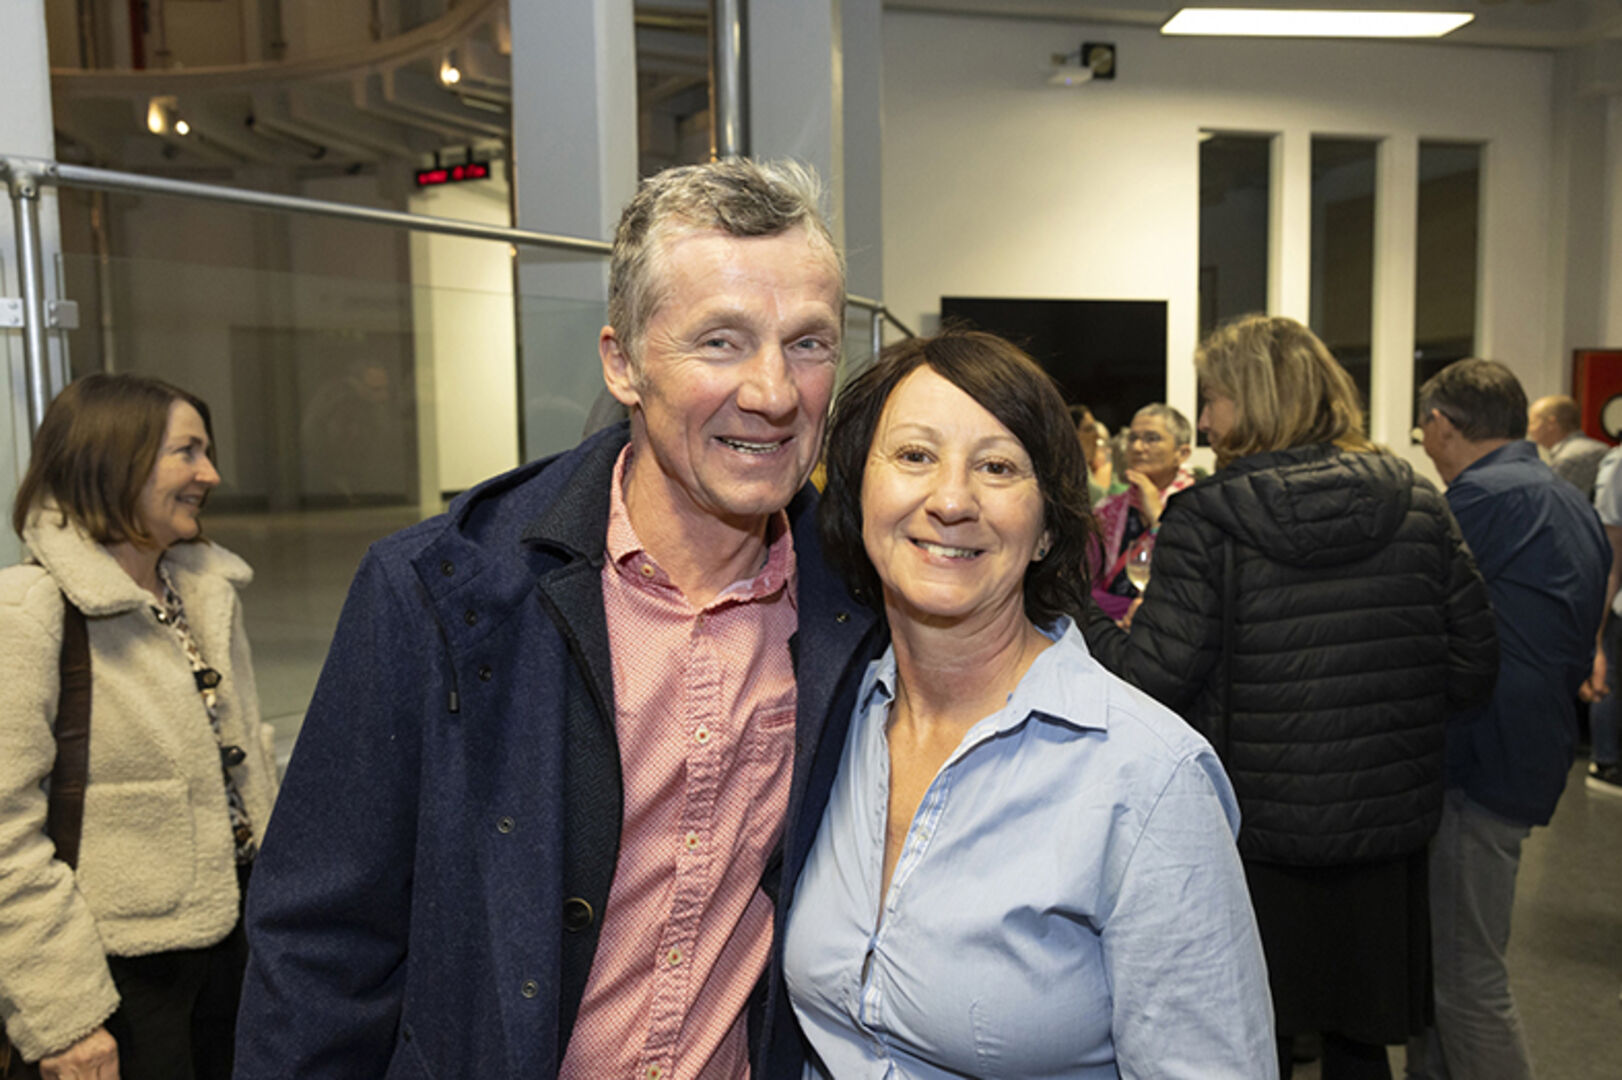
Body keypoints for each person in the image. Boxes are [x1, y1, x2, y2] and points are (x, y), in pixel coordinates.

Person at [233, 159, 885, 1080]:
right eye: (722, 342)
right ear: (623, 364)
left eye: (809, 343)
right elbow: (319, 946)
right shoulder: (440, 593)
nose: (775, 392)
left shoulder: (854, 603)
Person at [785, 330, 1276, 1078]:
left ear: (1047, 526)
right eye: (915, 456)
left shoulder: (1147, 778)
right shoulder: (825, 722)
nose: (951, 500)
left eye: (998, 466)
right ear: (855, 494)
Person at [1083, 315, 1499, 1080]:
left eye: (1213, 400)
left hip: (1255, 835)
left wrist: (1075, 606)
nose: (1204, 421)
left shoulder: (1208, 519)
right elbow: (1474, 667)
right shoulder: (1418, 502)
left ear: (1255, 398)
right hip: (1384, 832)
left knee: (1247, 1041)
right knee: (1360, 1044)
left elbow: (1150, 678)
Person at [0, 373, 277, 1080]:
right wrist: (66, 1020)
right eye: (186, 452)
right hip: (111, 986)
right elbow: (5, 839)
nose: (209, 475)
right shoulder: (30, 612)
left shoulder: (205, 592)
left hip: (233, 956)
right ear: (112, 458)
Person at [1410, 358, 1608, 1080]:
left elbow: (1424, 618)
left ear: (1441, 423)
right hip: (1529, 748)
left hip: (1477, 758)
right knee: (1446, 971)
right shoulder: (1563, 497)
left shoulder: (1478, 499)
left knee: (1467, 979)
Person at [1089, 403, 1195, 622]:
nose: (1137, 447)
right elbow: (1083, 581)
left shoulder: (1197, 506)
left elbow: (1187, 583)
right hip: (1107, 629)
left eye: (1151, 438)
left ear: (1182, 453)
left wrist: (1157, 517)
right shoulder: (1107, 509)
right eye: (1133, 438)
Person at [1584, 446, 1622, 795]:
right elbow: (1612, 548)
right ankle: (1606, 761)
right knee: (1608, 678)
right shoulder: (1617, 465)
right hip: (1618, 608)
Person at [1526, 394, 1608, 497]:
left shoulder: (1568, 460)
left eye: (1532, 422)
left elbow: (1557, 507)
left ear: (1551, 423)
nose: (1529, 429)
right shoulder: (1603, 448)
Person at [1069, 402, 1106, 505]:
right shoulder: (1068, 474)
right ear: (1072, 434)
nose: (1097, 436)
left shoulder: (1084, 469)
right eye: (1088, 430)